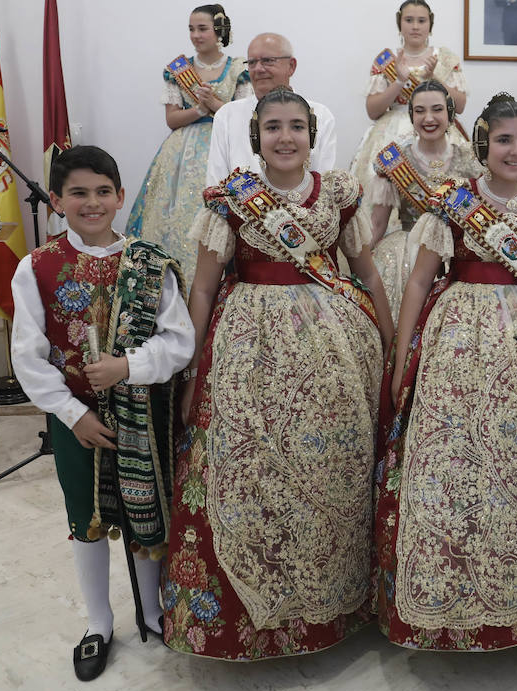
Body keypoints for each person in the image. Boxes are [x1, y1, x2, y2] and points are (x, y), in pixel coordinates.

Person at [165, 87, 393, 661]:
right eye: (273, 127)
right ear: (256, 136)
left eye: (296, 126)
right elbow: (203, 288)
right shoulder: (231, 201)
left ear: (311, 136)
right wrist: (192, 368)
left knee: (329, 470)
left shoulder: (337, 193)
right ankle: (251, 619)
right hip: (248, 351)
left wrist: (392, 345)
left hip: (333, 355)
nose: (285, 137)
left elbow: (366, 273)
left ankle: (333, 609)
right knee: (252, 470)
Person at [376, 92, 517, 651]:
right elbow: (419, 281)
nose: (516, 151)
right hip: (462, 343)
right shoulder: (453, 202)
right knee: (463, 461)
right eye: (504, 140)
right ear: (483, 144)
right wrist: (402, 356)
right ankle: (456, 594)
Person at [10, 144, 194, 680]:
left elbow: (179, 341)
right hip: (76, 419)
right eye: (78, 193)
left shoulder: (150, 262)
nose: (92, 202)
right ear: (56, 201)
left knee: (145, 514)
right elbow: (27, 355)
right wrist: (72, 414)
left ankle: (153, 612)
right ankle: (98, 622)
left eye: (103, 191)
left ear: (119, 196)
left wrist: (127, 367)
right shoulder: (36, 267)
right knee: (84, 518)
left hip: (143, 416)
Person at [126, 4, 250, 281]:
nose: (195, 35)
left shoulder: (238, 69)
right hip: (182, 154)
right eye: (191, 29)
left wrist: (214, 103)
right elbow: (172, 119)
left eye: (202, 29)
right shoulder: (178, 70)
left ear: (219, 30)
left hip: (224, 148)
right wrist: (199, 110)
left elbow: (241, 119)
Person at [365, 80, 480, 320]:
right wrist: (360, 262)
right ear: (411, 116)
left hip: (455, 252)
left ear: (449, 114)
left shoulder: (471, 160)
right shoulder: (396, 160)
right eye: (420, 111)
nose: (428, 118)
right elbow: (378, 223)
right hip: (405, 255)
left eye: (437, 110)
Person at [349, 0, 470, 196]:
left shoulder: (445, 59)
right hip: (390, 133)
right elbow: (372, 110)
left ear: (430, 24)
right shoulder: (387, 60)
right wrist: (399, 81)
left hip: (437, 127)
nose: (415, 26)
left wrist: (434, 79)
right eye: (409, 20)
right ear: (400, 24)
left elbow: (460, 106)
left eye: (421, 21)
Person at [206, 32, 336, 185]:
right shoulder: (227, 115)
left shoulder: (320, 115)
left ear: (291, 66)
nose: (258, 69)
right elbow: (216, 183)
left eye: (267, 61)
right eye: (252, 63)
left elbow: (323, 183)